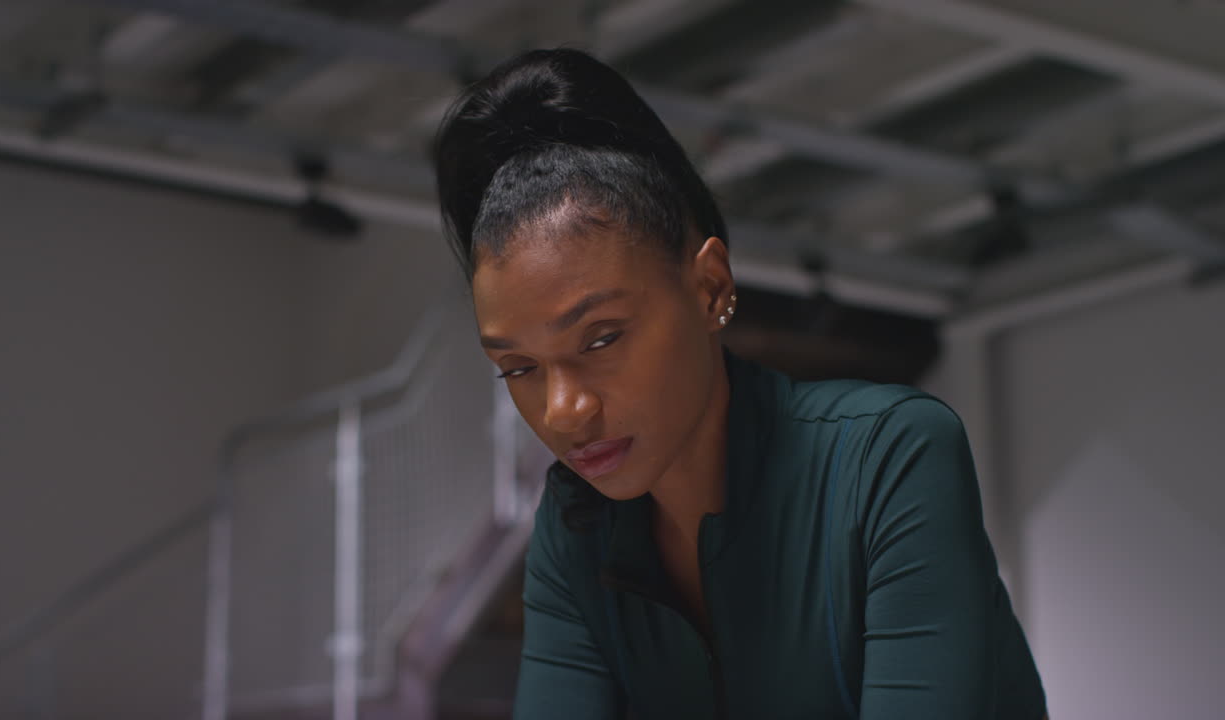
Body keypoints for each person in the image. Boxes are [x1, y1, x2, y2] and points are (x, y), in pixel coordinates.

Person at [432, 48, 1047, 720]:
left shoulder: (887, 455)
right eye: (519, 367)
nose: (564, 410)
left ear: (710, 286)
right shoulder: (577, 526)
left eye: (602, 338)